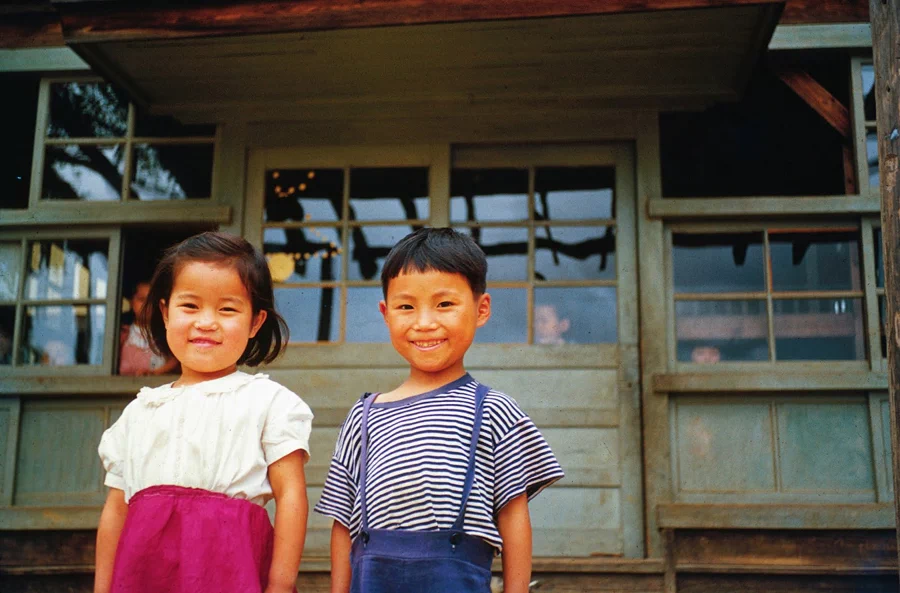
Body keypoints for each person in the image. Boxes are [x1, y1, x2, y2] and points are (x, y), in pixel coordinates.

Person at [315, 227, 564, 593]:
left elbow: (513, 516)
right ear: (386, 314)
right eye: (406, 307)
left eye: (444, 304)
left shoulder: (493, 409)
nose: (425, 322)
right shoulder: (364, 415)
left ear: (481, 310)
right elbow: (342, 523)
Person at [94, 232, 313, 593]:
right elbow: (116, 510)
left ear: (255, 322)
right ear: (165, 312)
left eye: (227, 309)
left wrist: (280, 584)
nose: (206, 322)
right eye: (190, 306)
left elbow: (291, 494)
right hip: (144, 574)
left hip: (229, 569)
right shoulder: (140, 411)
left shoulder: (268, 401)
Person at [119, 280, 180, 376]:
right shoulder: (123, 333)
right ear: (131, 302)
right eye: (142, 300)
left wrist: (155, 373)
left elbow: (177, 361)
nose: (147, 306)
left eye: (151, 301)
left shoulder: (167, 334)